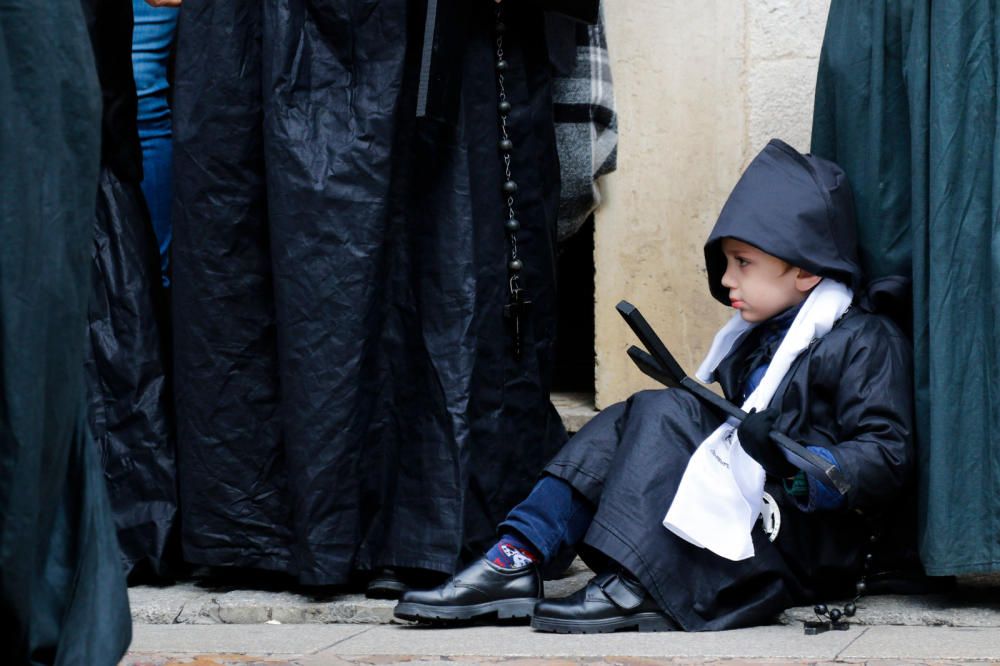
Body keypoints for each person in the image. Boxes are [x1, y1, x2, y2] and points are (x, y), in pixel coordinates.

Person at [394, 139, 914, 633]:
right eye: (727, 262)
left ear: (804, 271)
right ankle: (516, 556)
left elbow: (887, 453)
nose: (727, 279)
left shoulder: (864, 338)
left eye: (744, 263)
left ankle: (641, 578)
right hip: (749, 518)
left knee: (668, 411)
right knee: (636, 413)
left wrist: (797, 464)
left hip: (804, 540)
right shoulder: (754, 340)